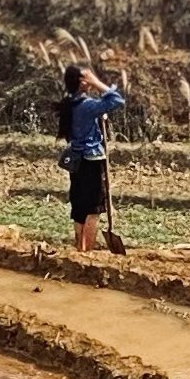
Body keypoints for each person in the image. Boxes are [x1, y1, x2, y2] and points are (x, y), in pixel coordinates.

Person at [56, 59, 131, 252]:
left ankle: (80, 249)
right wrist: (98, 83)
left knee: (79, 207)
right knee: (93, 209)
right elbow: (116, 100)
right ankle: (87, 253)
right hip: (91, 160)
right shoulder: (87, 106)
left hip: (76, 160)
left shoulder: (70, 104)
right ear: (82, 82)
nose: (90, 82)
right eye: (86, 79)